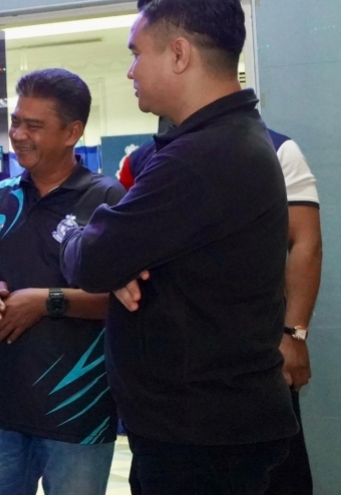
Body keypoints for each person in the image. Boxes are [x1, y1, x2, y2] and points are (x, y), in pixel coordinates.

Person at [60, 0, 298, 494]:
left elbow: (91, 260)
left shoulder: (200, 157)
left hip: (200, 441)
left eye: (137, 53)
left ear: (179, 54)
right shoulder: (228, 140)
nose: (131, 70)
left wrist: (92, 244)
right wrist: (119, 256)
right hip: (204, 429)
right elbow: (119, 256)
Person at [118, 126, 322, 495]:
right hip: (169, 367)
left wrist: (294, 332)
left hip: (254, 355)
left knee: (272, 473)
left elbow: (304, 242)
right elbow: (119, 242)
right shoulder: (142, 159)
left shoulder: (274, 149)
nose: (136, 84)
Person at [0, 68, 125, 495]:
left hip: (77, 412)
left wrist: (46, 301)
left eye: (33, 126)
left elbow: (126, 299)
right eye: (16, 122)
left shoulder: (108, 201)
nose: (18, 135)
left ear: (72, 132)